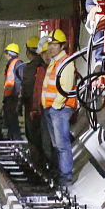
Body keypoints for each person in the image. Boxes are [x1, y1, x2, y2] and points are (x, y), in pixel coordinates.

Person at [41, 29, 77, 186]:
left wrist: (56, 105)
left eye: (55, 44)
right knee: (57, 143)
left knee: (62, 144)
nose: (51, 47)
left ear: (63, 46)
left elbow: (66, 86)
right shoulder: (54, 62)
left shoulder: (66, 62)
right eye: (50, 44)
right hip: (51, 109)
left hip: (59, 109)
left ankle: (66, 176)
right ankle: (60, 172)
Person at [19, 36, 47, 169]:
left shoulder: (29, 68)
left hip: (32, 107)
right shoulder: (48, 65)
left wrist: (20, 103)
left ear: (28, 52)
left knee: (33, 135)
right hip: (48, 107)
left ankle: (38, 165)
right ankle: (47, 164)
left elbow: (26, 90)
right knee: (45, 136)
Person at [1, 42, 23, 141]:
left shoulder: (17, 64)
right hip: (9, 98)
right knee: (10, 121)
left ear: (9, 54)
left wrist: (19, 97)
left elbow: (22, 80)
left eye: (6, 53)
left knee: (13, 122)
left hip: (13, 98)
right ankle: (12, 141)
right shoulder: (11, 64)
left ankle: (16, 141)